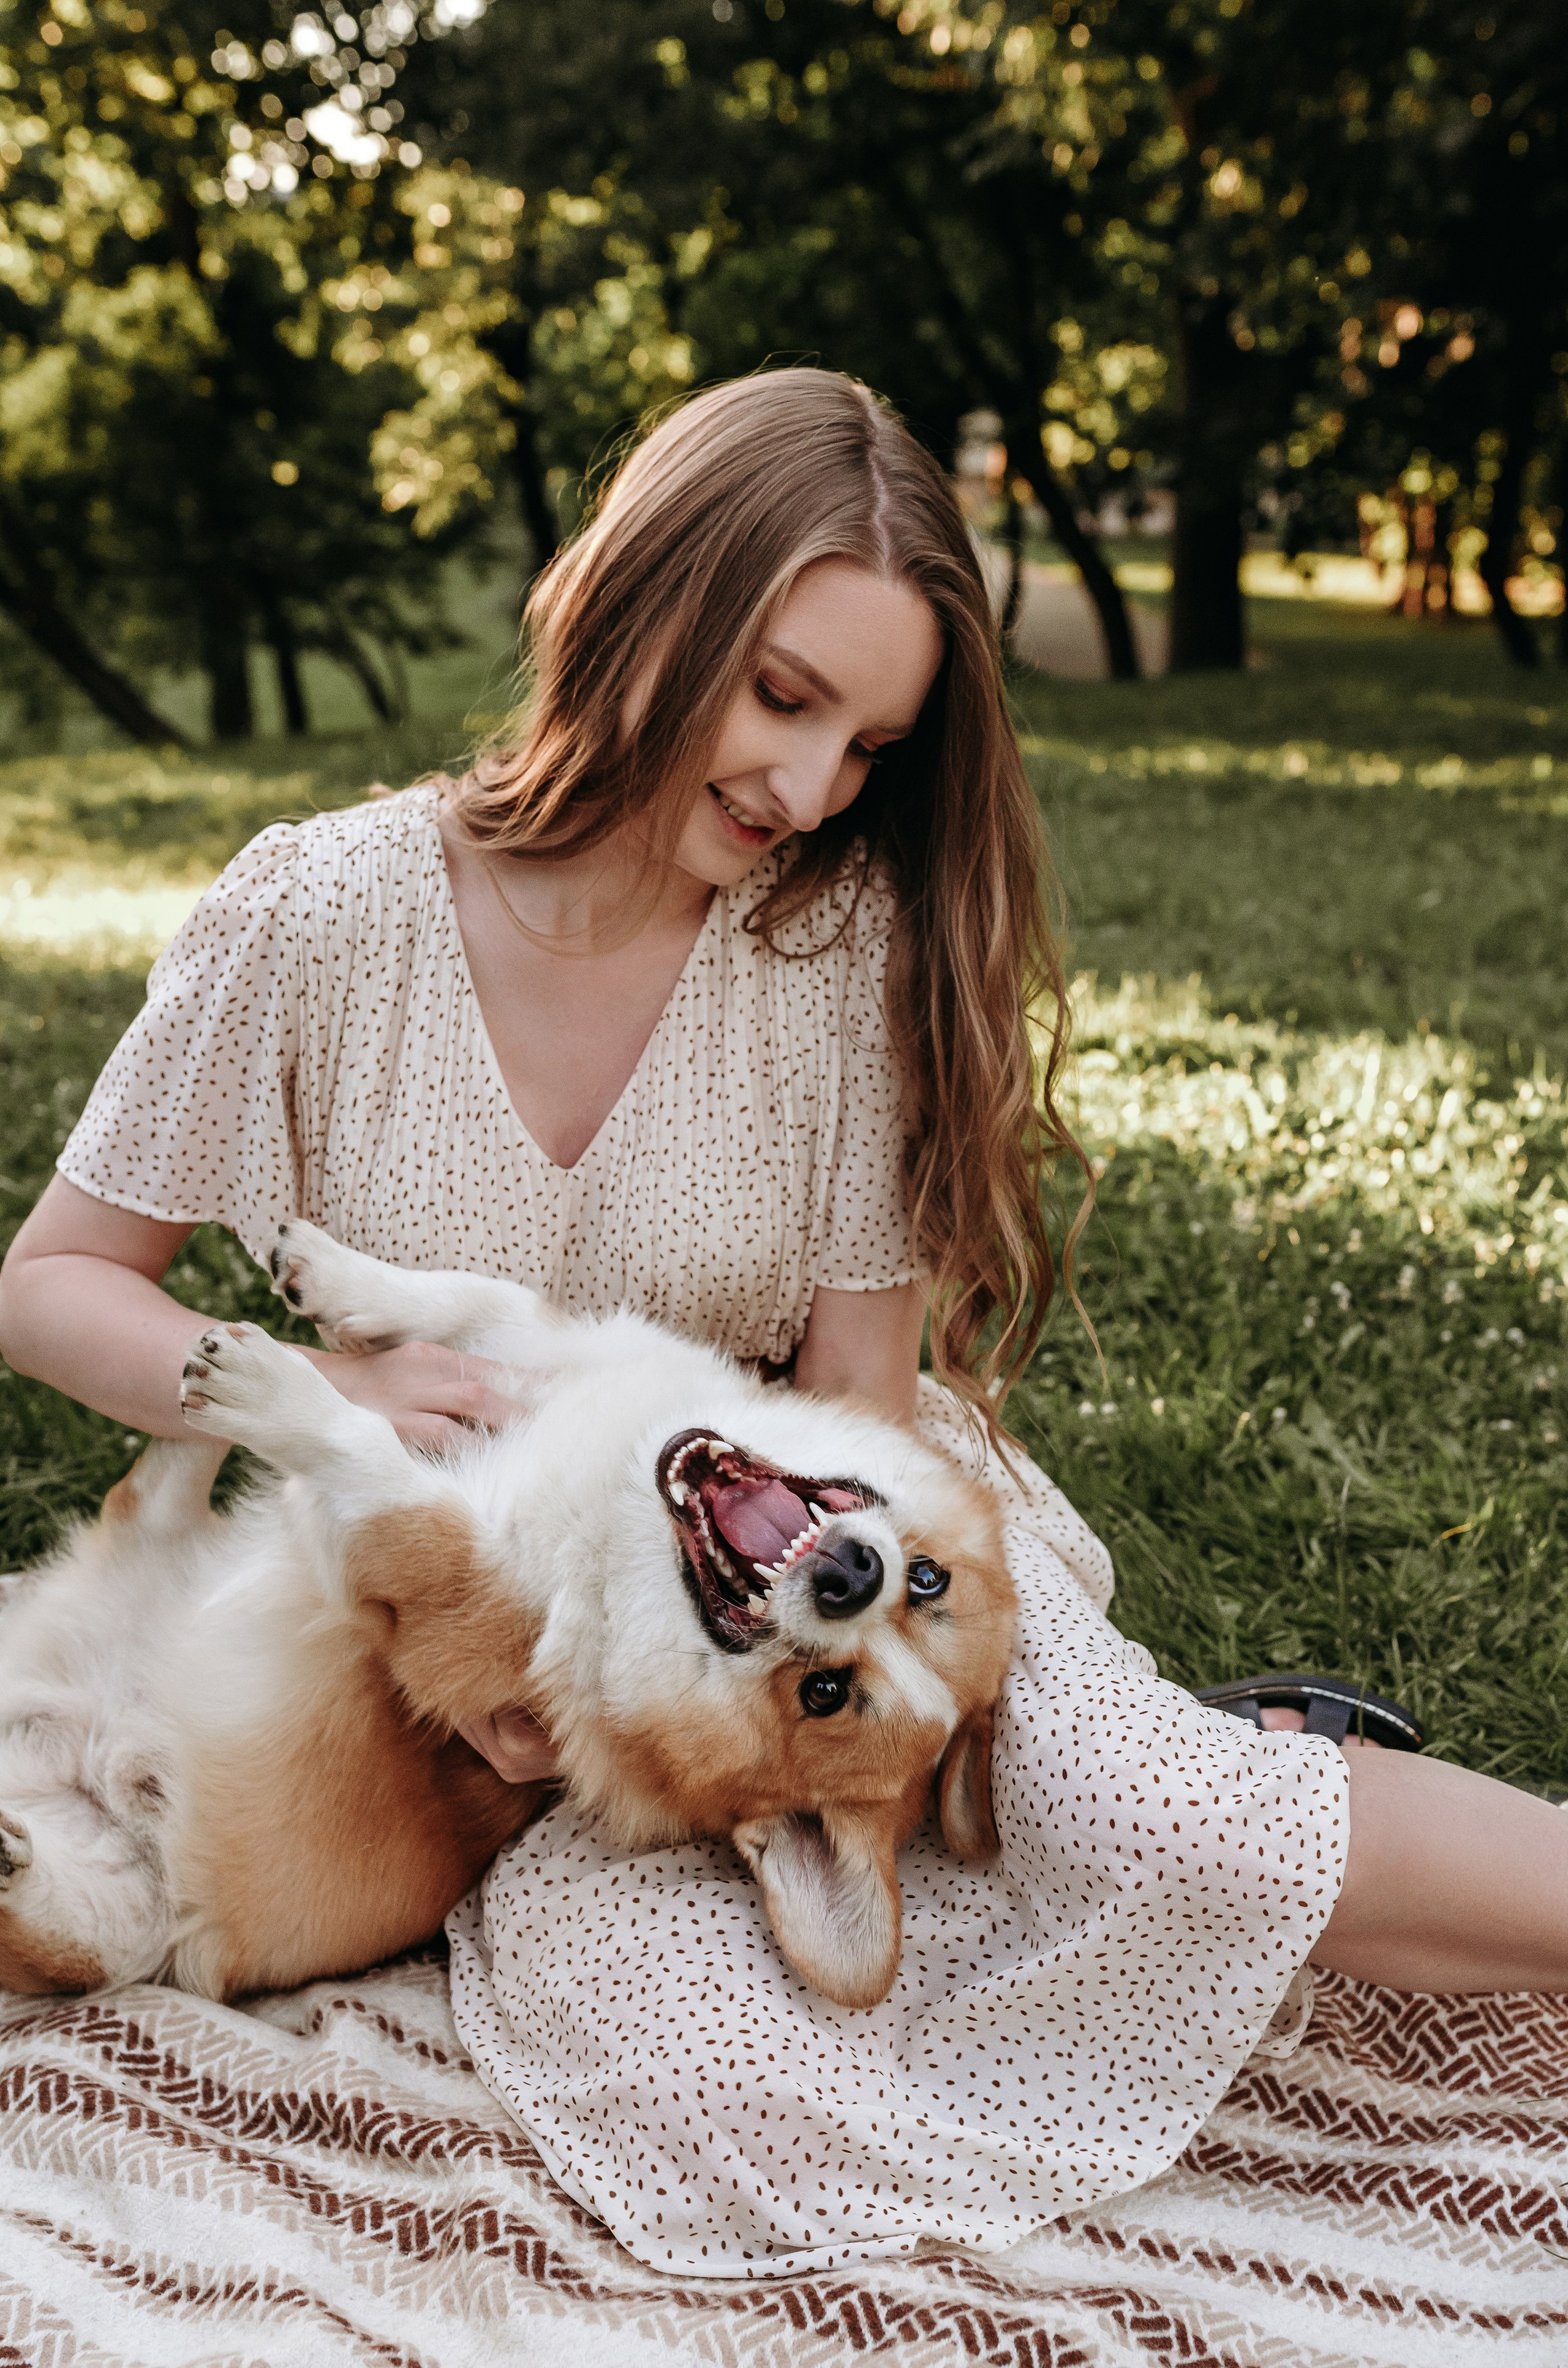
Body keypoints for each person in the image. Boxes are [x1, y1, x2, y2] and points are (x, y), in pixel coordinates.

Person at [1, 371, 1564, 2278]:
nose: (810, 792)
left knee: (1166, 1826)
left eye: (866, 743)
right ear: (643, 594)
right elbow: (54, 1282)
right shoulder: (317, 914)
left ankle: (1191, 1760)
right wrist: (344, 1395)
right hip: (518, 1681)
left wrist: (764, 1661)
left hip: (842, 1565)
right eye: (786, 698)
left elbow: (859, 1400)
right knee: (725, 2081)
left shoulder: (838, 951)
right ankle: (1099, 1813)